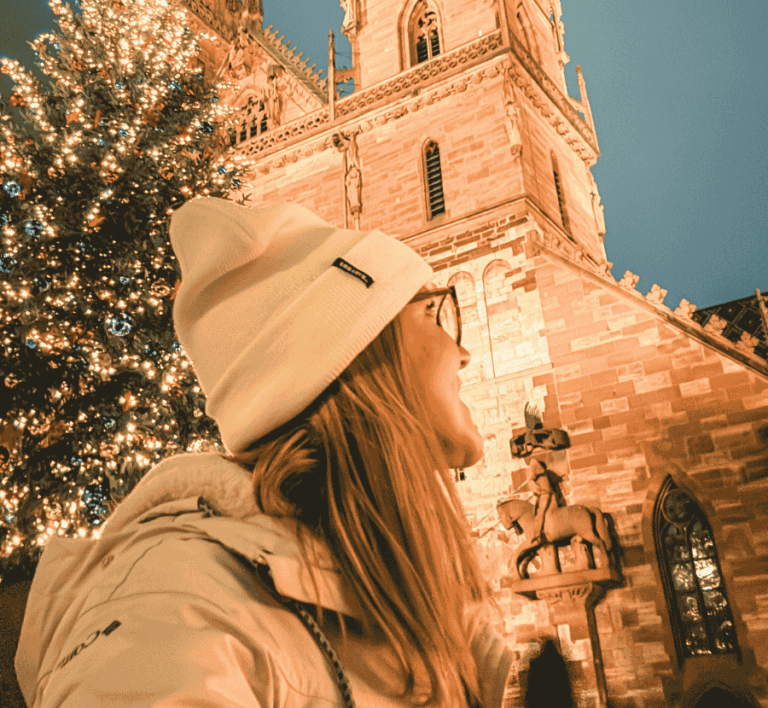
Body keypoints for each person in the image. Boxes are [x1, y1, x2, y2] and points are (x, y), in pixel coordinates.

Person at [15, 199, 513, 708]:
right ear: (358, 350)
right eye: (432, 311)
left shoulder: (394, 598)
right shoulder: (182, 603)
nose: (463, 351)